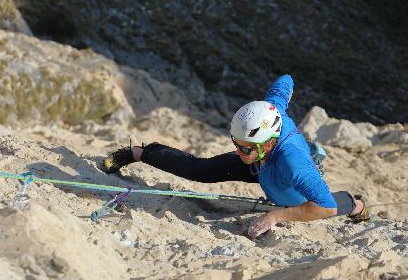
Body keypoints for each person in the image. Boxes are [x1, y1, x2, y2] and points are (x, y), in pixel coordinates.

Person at [101, 74, 370, 239]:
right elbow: (285, 81)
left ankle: (357, 205)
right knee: (200, 170)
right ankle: (137, 152)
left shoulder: (294, 166)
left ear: (267, 142)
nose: (239, 151)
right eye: (236, 144)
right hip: (261, 166)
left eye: (245, 146)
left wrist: (277, 217)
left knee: (329, 203)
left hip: (286, 183)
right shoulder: (269, 115)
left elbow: (325, 207)